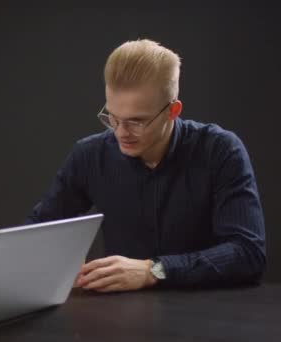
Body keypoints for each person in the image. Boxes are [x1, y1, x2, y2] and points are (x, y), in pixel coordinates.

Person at [27, 39, 266, 292]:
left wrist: (154, 270)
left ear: (172, 111)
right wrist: (57, 261)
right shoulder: (89, 155)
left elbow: (248, 254)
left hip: (210, 316)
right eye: (112, 118)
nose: (121, 133)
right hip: (122, 319)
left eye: (136, 122)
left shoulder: (220, 150)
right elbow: (37, 231)